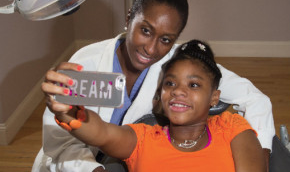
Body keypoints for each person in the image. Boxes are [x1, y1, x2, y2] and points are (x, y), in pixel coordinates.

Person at [32, 0, 274, 171]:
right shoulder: (86, 62)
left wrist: (259, 154)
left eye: (166, 39)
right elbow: (61, 144)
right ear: (129, 19)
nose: (151, 48)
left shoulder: (178, 65)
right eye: (145, 31)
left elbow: (254, 99)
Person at [47, 39, 267, 172]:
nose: (178, 91)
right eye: (170, 83)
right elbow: (102, 133)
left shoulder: (231, 127)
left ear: (214, 97)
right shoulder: (142, 138)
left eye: (193, 84)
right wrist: (68, 110)